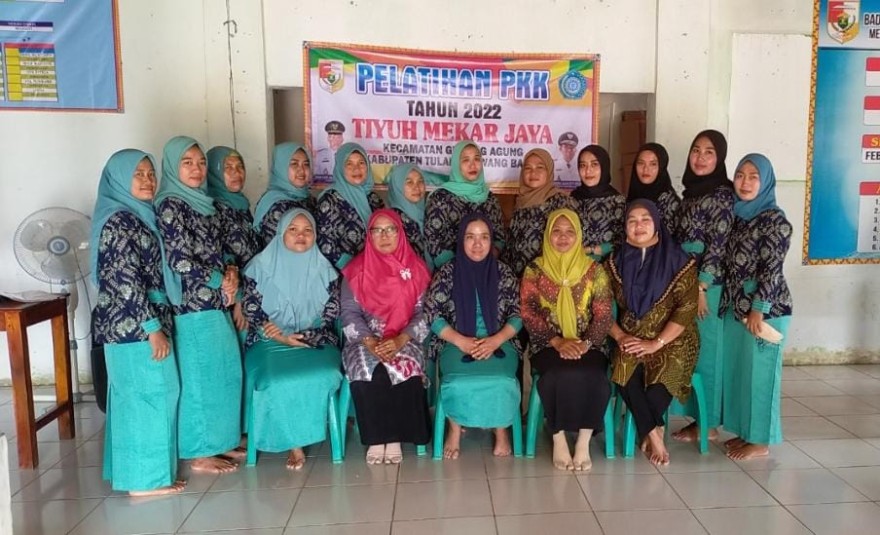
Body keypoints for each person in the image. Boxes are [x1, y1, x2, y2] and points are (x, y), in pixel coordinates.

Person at [91, 149, 184, 496]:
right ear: (118, 179)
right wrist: (151, 329)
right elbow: (124, 280)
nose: (147, 180)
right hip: (132, 329)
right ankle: (143, 483)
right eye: (138, 174)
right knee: (147, 398)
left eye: (150, 173)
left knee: (151, 396)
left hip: (145, 321)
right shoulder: (118, 222)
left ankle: (145, 475)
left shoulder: (139, 216)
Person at [155, 136, 243, 474]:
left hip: (216, 303)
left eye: (201, 162)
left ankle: (220, 441)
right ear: (173, 167)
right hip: (191, 307)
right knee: (200, 379)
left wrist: (231, 272)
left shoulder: (206, 203)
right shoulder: (171, 204)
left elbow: (221, 250)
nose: (196, 169)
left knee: (223, 373)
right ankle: (199, 452)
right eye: (187, 162)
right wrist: (219, 280)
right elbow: (179, 261)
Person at [240, 209, 343, 470]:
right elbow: (251, 307)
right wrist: (277, 334)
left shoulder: (325, 270)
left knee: (325, 373)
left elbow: (331, 311)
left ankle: (304, 434)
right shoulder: (259, 267)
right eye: (293, 230)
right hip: (269, 340)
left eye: (308, 230)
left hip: (314, 338)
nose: (301, 235)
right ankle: (294, 443)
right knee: (276, 379)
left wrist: (304, 333)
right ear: (281, 233)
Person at [520, 208, 613, 471]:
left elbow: (604, 315)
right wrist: (557, 341)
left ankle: (583, 441)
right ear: (547, 235)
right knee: (557, 373)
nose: (563, 237)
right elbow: (528, 312)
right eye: (557, 231)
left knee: (594, 374)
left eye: (570, 231)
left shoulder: (594, 270)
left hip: (589, 344)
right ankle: (558, 437)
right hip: (546, 344)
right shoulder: (535, 270)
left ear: (579, 235)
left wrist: (585, 344)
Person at [608, 200, 699, 466]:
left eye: (645, 219)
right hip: (630, 334)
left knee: (663, 377)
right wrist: (620, 336)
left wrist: (656, 343)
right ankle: (655, 432)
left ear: (657, 223)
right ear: (625, 227)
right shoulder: (614, 262)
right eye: (632, 220)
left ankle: (648, 430)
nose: (639, 226)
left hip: (673, 337)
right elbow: (600, 309)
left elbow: (687, 308)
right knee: (624, 372)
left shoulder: (678, 260)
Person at [425, 214, 522, 459]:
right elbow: (432, 313)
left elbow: (519, 314)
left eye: (484, 237)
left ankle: (501, 430)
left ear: (491, 241)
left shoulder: (503, 272)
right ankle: (455, 428)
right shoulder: (448, 272)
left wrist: (495, 340)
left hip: (500, 341)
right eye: (470, 237)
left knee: (502, 380)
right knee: (457, 381)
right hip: (455, 342)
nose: (477, 244)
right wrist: (461, 341)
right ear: (461, 240)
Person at [340, 209, 432, 464]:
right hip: (364, 338)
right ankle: (376, 438)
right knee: (367, 370)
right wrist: (370, 341)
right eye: (377, 230)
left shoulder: (417, 269)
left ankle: (395, 437)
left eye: (390, 229)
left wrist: (401, 339)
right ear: (368, 235)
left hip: (405, 336)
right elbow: (348, 312)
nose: (384, 235)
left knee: (403, 368)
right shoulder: (356, 270)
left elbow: (424, 312)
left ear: (400, 233)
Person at [720, 154, 793, 460]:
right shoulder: (738, 216)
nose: (745, 182)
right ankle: (747, 433)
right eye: (740, 175)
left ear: (765, 182)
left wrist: (759, 308)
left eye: (753, 176)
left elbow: (772, 269)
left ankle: (761, 441)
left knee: (762, 376)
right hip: (738, 309)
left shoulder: (775, 220)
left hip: (766, 311)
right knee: (743, 374)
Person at [671, 129, 735, 444]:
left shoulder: (722, 195)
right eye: (696, 150)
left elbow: (718, 245)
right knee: (691, 352)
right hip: (686, 282)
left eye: (709, 152)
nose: (700, 157)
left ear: (719, 158)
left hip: (705, 287)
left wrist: (702, 286)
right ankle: (700, 419)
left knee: (707, 354)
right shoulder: (691, 194)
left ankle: (709, 425)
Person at [206, 146, 263, 338]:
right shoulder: (212, 209)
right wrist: (239, 299)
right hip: (232, 300)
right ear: (213, 172)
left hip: (251, 293)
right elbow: (221, 256)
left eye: (240, 167)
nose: (236, 173)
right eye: (228, 168)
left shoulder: (241, 205)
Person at [425, 140, 506, 267]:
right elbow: (432, 239)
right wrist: (458, 267)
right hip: (450, 270)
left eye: (477, 159)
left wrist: (485, 262)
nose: (472, 165)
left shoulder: (489, 198)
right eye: (465, 160)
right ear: (456, 164)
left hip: (485, 267)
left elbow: (499, 238)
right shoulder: (441, 197)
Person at [503, 148, 572, 278]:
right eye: (528, 168)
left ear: (549, 171)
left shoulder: (561, 202)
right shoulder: (519, 201)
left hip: (547, 278)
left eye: (540, 167)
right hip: (516, 277)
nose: (533, 173)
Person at [316, 142, 384, 269]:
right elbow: (325, 244)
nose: (356, 169)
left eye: (361, 163)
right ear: (340, 168)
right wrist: (354, 270)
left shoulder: (374, 199)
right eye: (349, 164)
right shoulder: (330, 199)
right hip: (345, 273)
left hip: (376, 270)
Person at [571, 145, 626, 262]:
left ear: (604, 167)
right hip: (573, 266)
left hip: (607, 265)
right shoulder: (572, 199)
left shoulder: (617, 201)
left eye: (594, 164)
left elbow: (624, 239)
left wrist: (592, 250)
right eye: (583, 165)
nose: (588, 171)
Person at [253, 142, 316, 244]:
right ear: (280, 167)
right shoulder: (274, 205)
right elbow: (278, 248)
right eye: (294, 164)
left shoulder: (309, 199)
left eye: (306, 164)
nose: (301, 170)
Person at [386, 163, 438, 269]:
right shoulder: (391, 221)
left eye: (420, 181)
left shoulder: (430, 213)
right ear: (397, 186)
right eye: (409, 182)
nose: (416, 187)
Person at [626, 143, 681, 235]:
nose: (646, 169)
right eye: (641, 163)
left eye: (653, 164)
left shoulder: (670, 203)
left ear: (661, 167)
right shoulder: (632, 197)